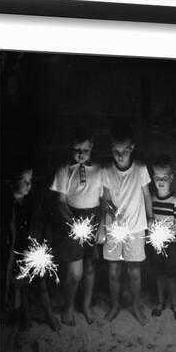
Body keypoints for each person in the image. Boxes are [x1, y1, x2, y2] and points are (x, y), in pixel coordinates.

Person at [50, 127, 104, 325]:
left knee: (90, 267)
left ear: (92, 147)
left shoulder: (99, 170)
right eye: (76, 149)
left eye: (85, 150)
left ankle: (86, 306)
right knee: (75, 272)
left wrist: (101, 226)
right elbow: (60, 201)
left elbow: (103, 200)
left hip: (94, 218)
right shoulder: (64, 170)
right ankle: (69, 305)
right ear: (70, 147)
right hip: (72, 219)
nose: (81, 154)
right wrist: (73, 222)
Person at [100, 121, 153, 326]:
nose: (119, 155)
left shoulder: (140, 169)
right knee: (113, 270)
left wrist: (150, 221)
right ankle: (114, 306)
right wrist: (110, 211)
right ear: (111, 148)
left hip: (137, 227)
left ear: (132, 148)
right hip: (114, 229)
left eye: (124, 150)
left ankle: (136, 307)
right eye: (115, 150)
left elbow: (147, 196)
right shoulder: (106, 170)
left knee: (134, 271)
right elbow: (104, 198)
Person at [3, 166, 60, 331]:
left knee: (41, 282)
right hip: (15, 253)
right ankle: (25, 314)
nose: (29, 185)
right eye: (23, 181)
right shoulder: (6, 204)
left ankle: (49, 314)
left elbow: (41, 225)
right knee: (21, 285)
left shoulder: (32, 203)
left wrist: (41, 245)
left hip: (34, 249)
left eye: (30, 181)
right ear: (12, 182)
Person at [149, 157, 176, 321]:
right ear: (153, 178)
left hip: (171, 246)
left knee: (172, 275)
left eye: (164, 178)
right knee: (159, 274)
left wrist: (165, 231)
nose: (161, 181)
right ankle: (160, 302)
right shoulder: (151, 200)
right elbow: (149, 221)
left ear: (171, 178)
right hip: (157, 245)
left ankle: (175, 304)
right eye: (157, 178)